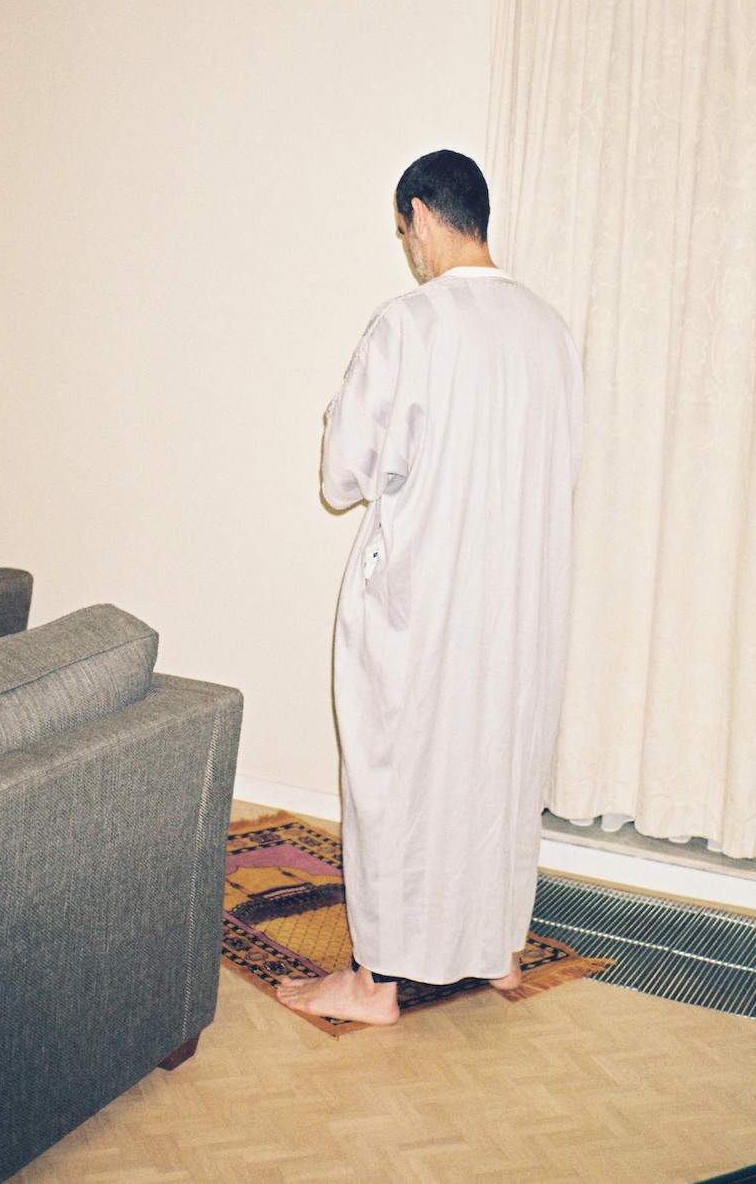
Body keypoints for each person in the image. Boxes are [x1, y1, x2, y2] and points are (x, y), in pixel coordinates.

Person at [277, 149, 584, 1026]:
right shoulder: (550, 330)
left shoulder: (410, 324)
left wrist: (334, 416)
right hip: (518, 603)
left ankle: (374, 982)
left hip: (421, 599)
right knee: (494, 768)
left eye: (405, 226)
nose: (408, 243)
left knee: (394, 777)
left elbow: (345, 477)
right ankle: (497, 953)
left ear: (420, 213)